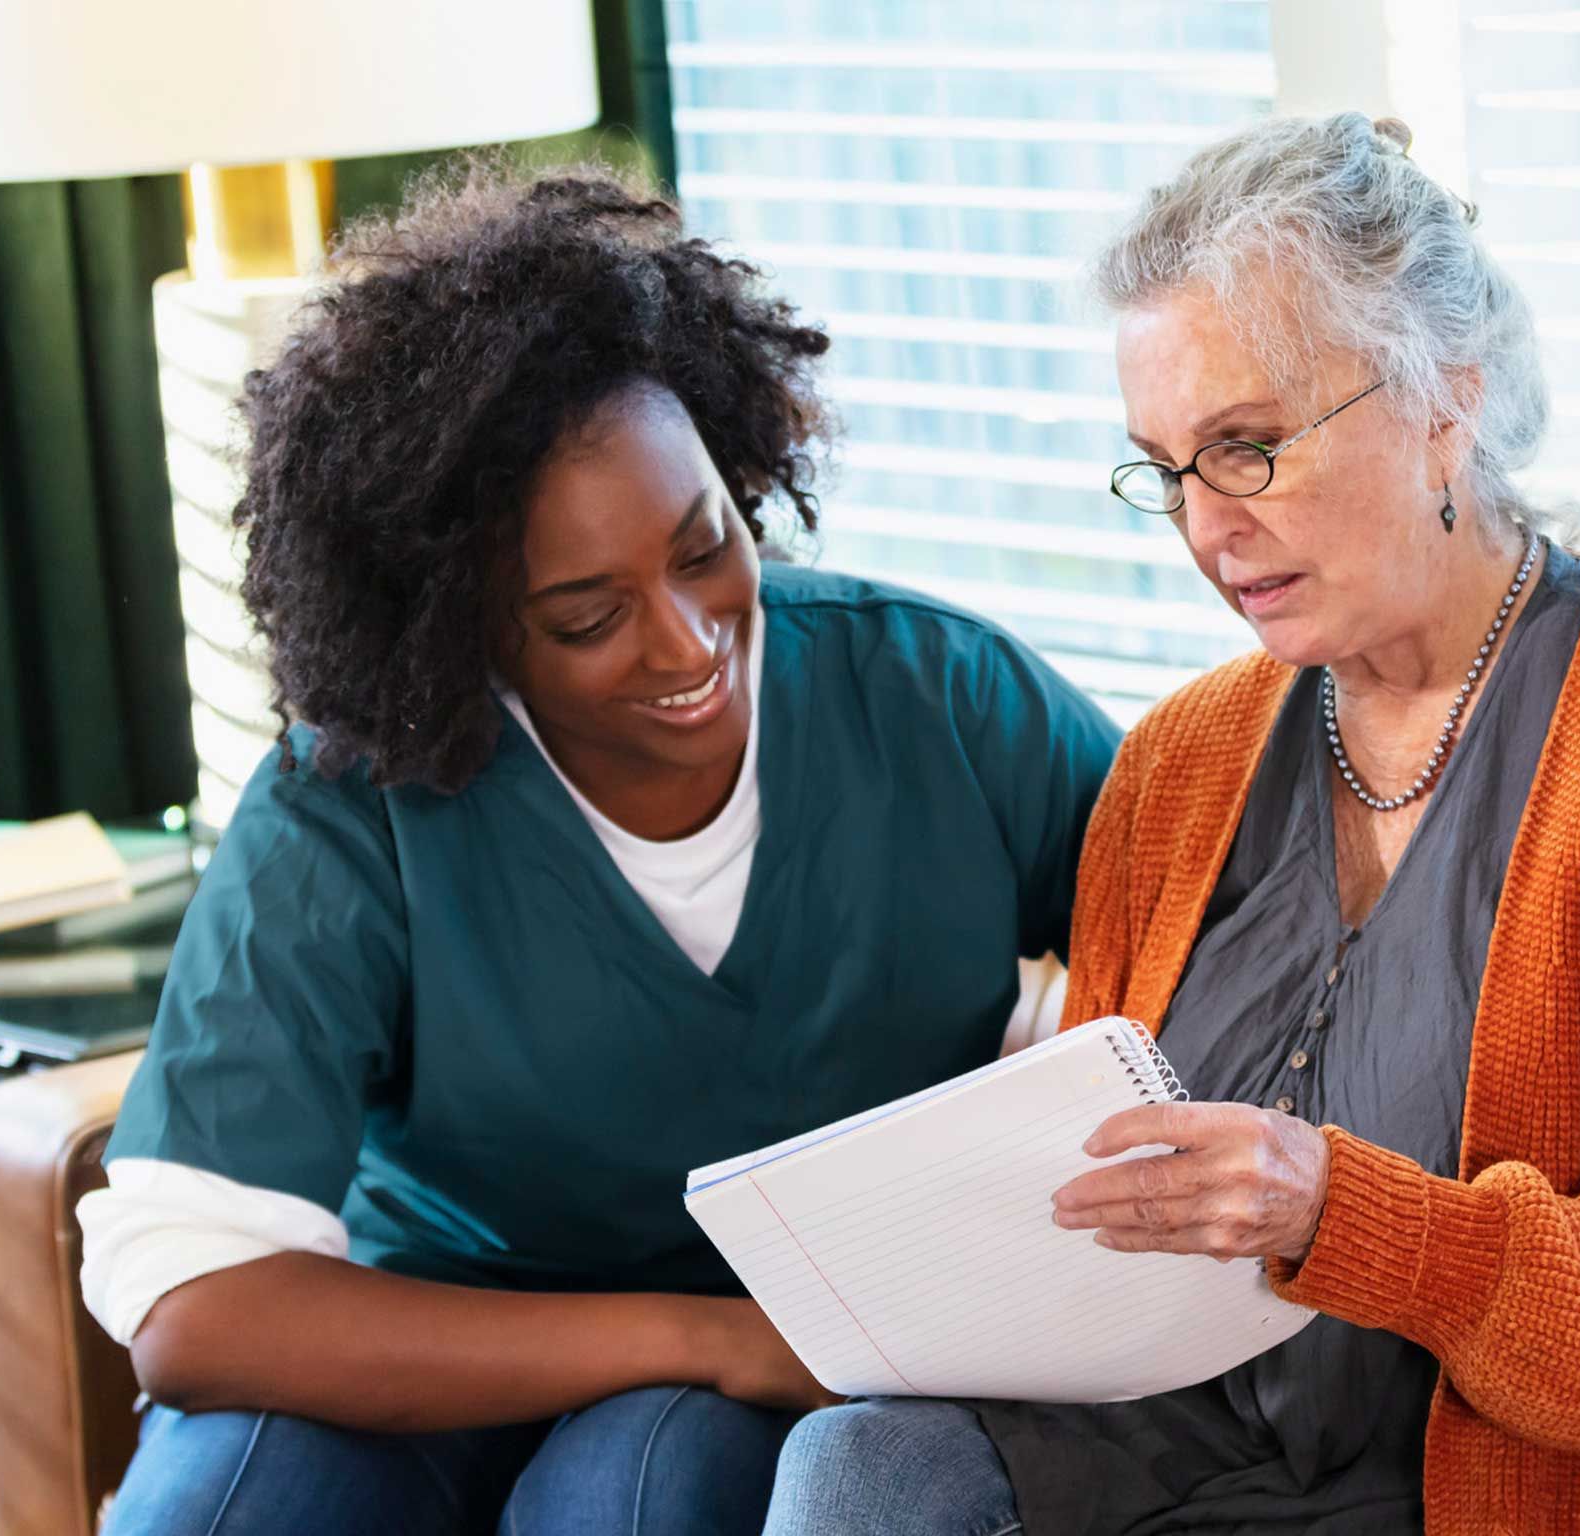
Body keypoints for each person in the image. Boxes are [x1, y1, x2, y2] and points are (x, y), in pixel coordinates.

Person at [765, 113, 1580, 1536]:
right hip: (1165, 1451)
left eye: (1249, 448)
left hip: (1476, 1492)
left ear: (1444, 401)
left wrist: (1343, 1211)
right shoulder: (1175, 764)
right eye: (1164, 469)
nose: (1204, 527)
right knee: (855, 1466)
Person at [78, 163, 1120, 1536]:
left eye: (707, 549)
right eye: (585, 618)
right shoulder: (354, 803)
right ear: (465, 628)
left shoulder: (939, 697)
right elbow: (196, 1309)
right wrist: (703, 1336)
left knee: (638, 1495)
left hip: (781, 1387)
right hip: (430, 1345)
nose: (689, 645)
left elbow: (1236, 960)